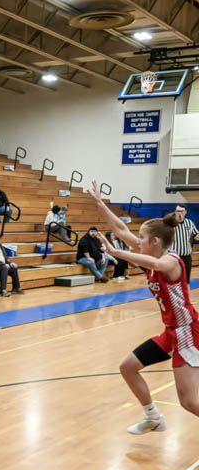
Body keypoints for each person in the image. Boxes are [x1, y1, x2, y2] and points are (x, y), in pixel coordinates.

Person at [89, 179, 199, 433]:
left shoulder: (171, 262)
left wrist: (117, 253)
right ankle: (153, 417)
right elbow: (120, 229)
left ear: (156, 241)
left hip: (187, 332)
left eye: (141, 238)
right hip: (171, 332)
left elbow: (156, 265)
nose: (137, 242)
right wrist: (100, 203)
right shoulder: (149, 255)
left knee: (189, 402)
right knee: (128, 367)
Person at [0, 228, 24, 295]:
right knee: (4, 267)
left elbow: (5, 256)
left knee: (14, 268)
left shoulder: (0, 244)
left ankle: (16, 288)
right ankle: (3, 289)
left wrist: (10, 262)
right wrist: (3, 264)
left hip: (2, 265)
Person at [171, 204, 199, 282]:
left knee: (186, 281)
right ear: (175, 212)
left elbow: (196, 235)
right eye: (178, 211)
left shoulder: (189, 223)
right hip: (174, 257)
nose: (180, 213)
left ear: (185, 212)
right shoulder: (170, 223)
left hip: (187, 256)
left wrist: (197, 236)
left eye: (182, 211)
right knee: (174, 281)